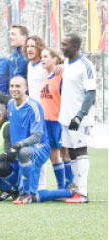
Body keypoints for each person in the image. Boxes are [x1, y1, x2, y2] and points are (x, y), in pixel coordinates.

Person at [59, 34, 97, 203]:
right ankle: (77, 190)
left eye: (65, 45)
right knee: (71, 152)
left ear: (75, 46)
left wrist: (80, 116)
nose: (62, 47)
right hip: (66, 117)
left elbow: (91, 93)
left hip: (80, 118)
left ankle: (83, 193)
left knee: (81, 150)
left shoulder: (86, 66)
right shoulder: (66, 64)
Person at [7, 76, 50, 204]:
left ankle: (27, 194)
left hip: (39, 147)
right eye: (12, 86)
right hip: (20, 148)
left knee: (24, 153)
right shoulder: (10, 104)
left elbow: (37, 137)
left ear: (26, 88)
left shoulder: (33, 106)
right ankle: (17, 191)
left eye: (18, 86)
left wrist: (18, 145)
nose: (14, 89)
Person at [39, 47, 72, 191]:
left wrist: (64, 66)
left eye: (46, 56)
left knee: (65, 153)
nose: (42, 59)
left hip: (58, 121)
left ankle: (70, 186)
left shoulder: (62, 74)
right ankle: (61, 187)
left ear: (54, 59)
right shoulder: (46, 76)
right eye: (42, 57)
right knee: (54, 155)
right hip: (47, 121)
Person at [25, 36, 46, 102]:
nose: (29, 49)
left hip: (44, 107)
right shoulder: (29, 65)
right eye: (27, 46)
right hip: (33, 107)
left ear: (39, 48)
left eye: (32, 46)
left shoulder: (45, 65)